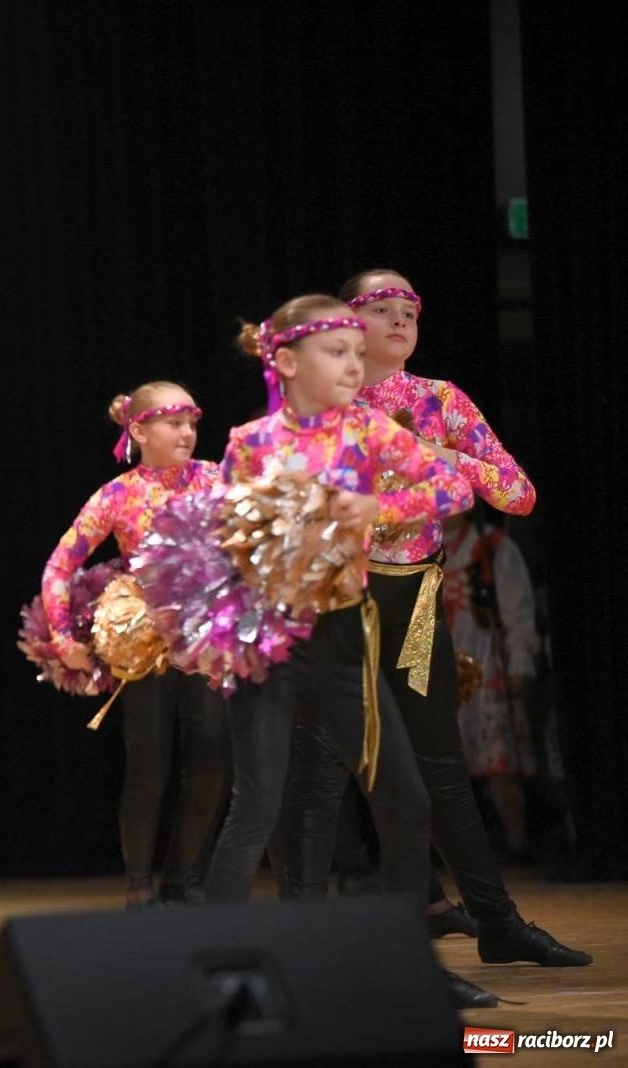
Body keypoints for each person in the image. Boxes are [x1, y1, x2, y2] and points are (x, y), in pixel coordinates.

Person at [197, 297, 492, 1008]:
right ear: (287, 363)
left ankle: (402, 966)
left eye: (359, 352)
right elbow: (222, 546)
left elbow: (456, 481)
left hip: (341, 639)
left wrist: (381, 509)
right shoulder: (249, 442)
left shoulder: (367, 429)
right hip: (269, 638)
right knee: (257, 804)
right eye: (337, 352)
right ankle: (213, 969)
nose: (355, 364)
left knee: (407, 798)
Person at [339, 269, 587, 967]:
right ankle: (379, 920)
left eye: (408, 311)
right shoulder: (329, 402)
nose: (397, 321)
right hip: (335, 603)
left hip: (415, 600)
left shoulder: (439, 399)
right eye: (380, 308)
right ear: (346, 323)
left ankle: (496, 919)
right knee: (333, 764)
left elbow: (521, 493)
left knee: (437, 766)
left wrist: (452, 458)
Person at [40, 383, 228, 908]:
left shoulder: (216, 479)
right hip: (147, 643)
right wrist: (61, 634)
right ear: (139, 431)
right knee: (148, 759)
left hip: (206, 638)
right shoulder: (118, 494)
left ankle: (184, 877)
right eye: (174, 423)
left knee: (213, 753)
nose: (187, 432)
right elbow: (61, 564)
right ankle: (139, 884)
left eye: (192, 421)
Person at [442, 506, 540, 858]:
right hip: (442, 664)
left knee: (498, 759)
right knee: (445, 763)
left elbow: (517, 608)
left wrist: (521, 660)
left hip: (486, 658)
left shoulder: (493, 546)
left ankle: (518, 842)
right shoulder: (421, 551)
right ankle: (461, 849)